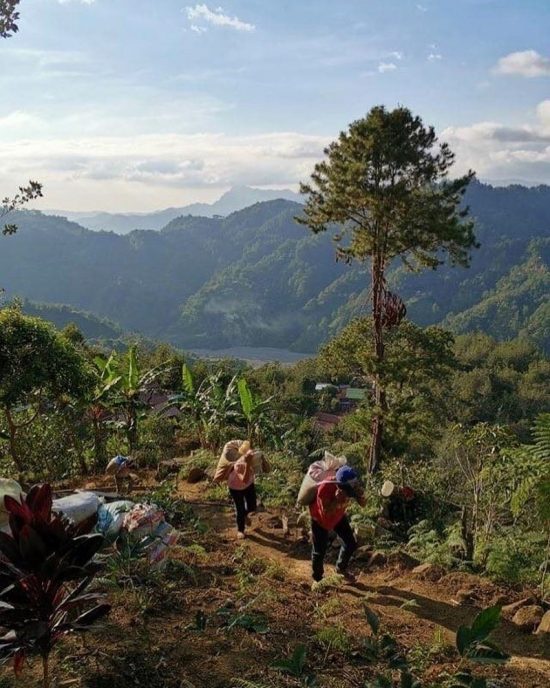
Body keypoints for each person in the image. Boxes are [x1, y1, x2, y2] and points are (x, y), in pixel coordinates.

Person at [310, 465, 366, 584]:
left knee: (350, 543)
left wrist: (360, 496)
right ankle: (318, 579)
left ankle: (340, 569)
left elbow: (363, 504)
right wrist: (336, 501)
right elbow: (325, 513)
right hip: (320, 520)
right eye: (347, 492)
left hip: (338, 517)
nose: (349, 494)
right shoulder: (324, 488)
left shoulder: (352, 486)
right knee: (319, 551)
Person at [214, 440, 270, 540]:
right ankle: (240, 530)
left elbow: (267, 469)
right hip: (236, 487)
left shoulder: (252, 458)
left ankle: (244, 515)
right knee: (239, 509)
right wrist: (247, 464)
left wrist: (263, 458)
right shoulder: (238, 464)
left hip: (249, 485)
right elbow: (244, 479)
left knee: (252, 507)